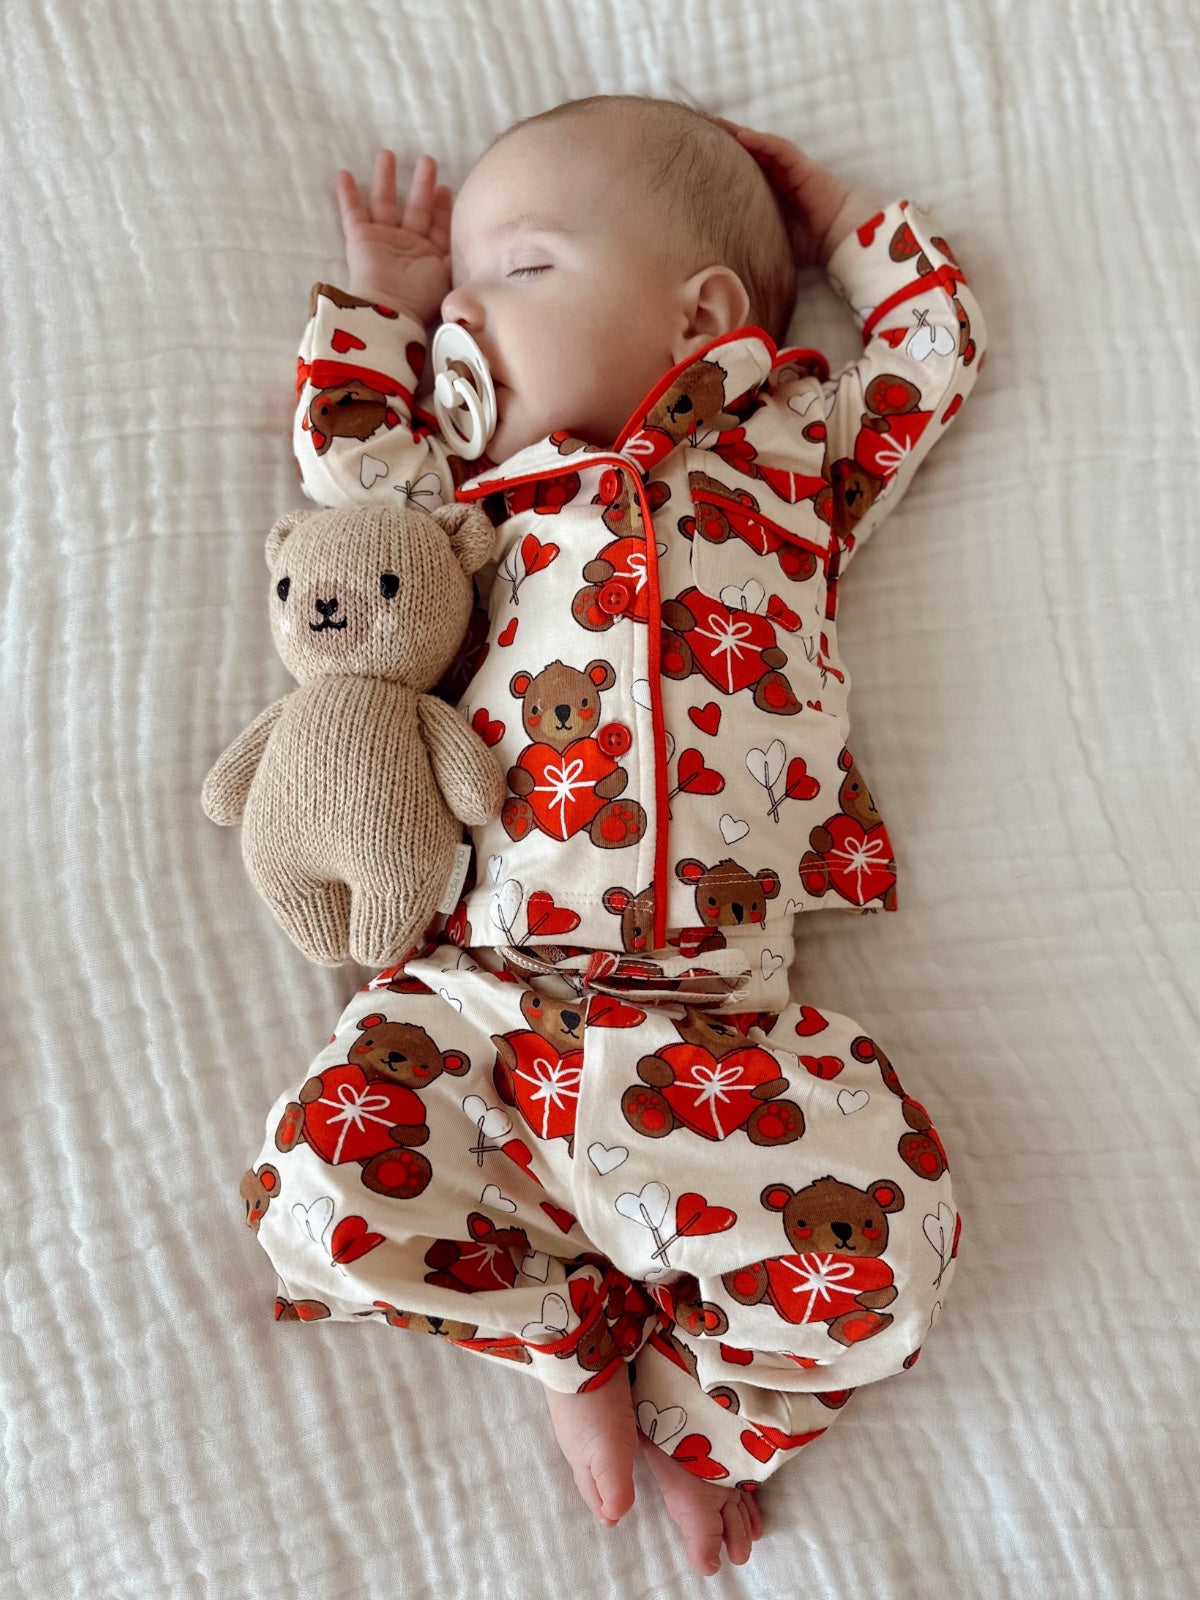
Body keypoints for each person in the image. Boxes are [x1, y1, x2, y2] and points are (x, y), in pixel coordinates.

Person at [242, 94, 984, 1577]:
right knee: (315, 1185)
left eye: (513, 269)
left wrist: (840, 224)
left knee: (887, 1249)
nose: (464, 309)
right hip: (487, 994)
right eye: (455, 296)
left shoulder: (794, 462)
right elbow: (352, 467)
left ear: (698, 310)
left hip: (719, 1030)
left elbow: (927, 349)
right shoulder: (473, 509)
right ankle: (564, 1340)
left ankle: (706, 1420)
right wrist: (383, 316)